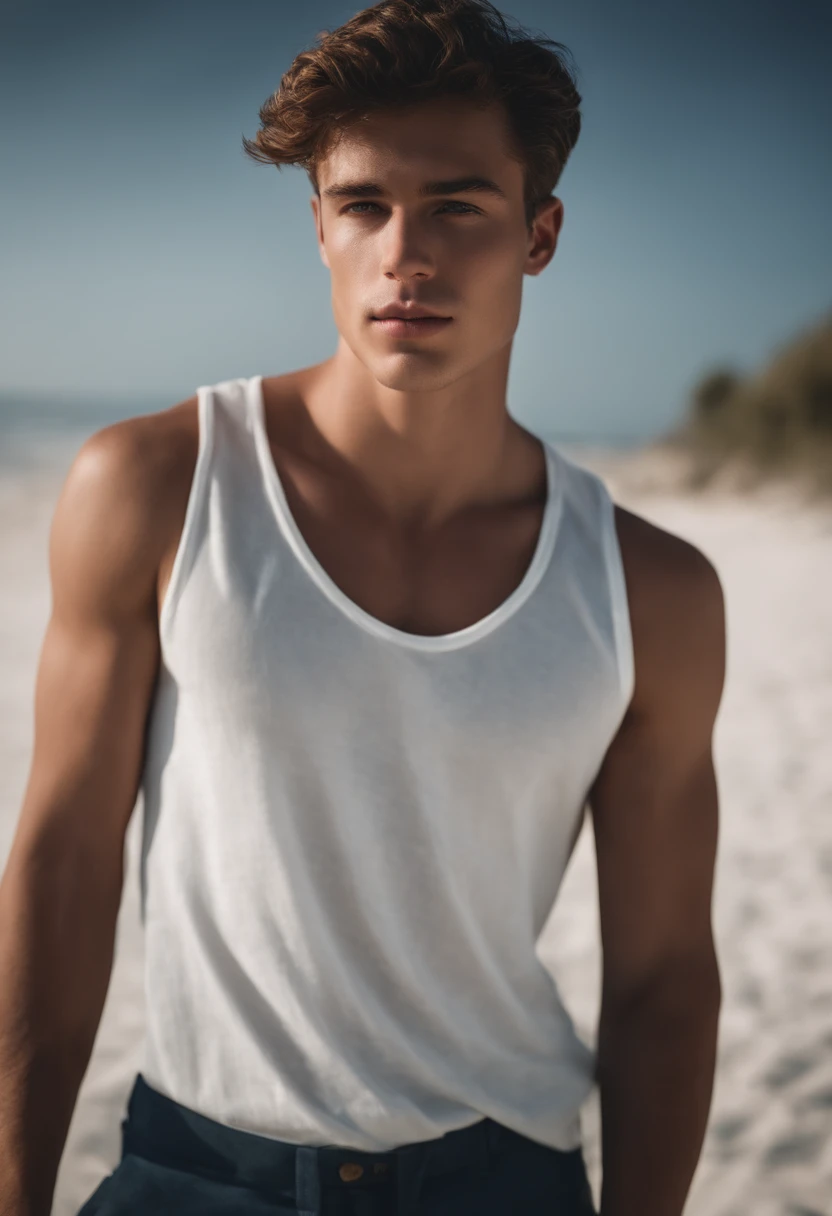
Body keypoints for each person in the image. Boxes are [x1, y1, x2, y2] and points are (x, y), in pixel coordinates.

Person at [0, 1, 725, 1214]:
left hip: (503, 1180)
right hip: (195, 1171)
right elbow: (63, 859)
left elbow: (660, 976)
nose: (406, 254)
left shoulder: (649, 589)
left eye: (457, 206)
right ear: (319, 226)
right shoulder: (153, 487)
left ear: (539, 234)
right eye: (364, 207)